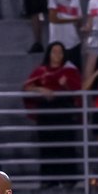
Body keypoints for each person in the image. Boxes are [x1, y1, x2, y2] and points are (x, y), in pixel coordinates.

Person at [23, 42, 82, 182]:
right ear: (48, 54)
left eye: (60, 52)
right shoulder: (41, 71)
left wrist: (65, 85)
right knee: (47, 146)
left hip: (64, 111)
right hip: (46, 112)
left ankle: (69, 180)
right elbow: (27, 87)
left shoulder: (70, 71)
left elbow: (77, 92)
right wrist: (41, 89)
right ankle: (49, 180)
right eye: (54, 52)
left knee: (66, 146)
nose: (57, 55)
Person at [48, 0, 83, 68]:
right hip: (57, 43)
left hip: (73, 43)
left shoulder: (76, 0)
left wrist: (81, 24)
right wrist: (74, 19)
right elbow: (53, 19)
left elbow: (78, 21)